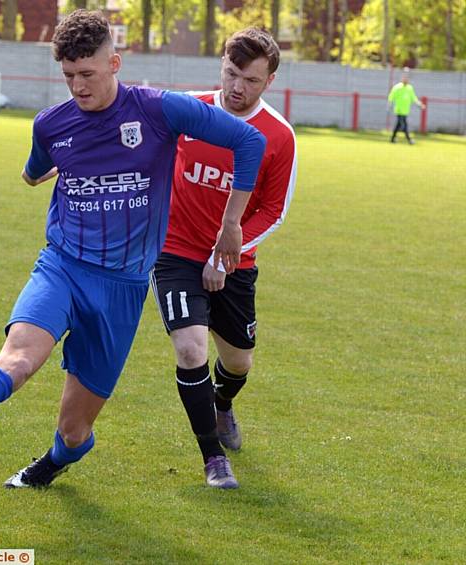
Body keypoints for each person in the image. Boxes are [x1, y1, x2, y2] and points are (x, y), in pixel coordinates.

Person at [0, 9, 267, 525]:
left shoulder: (159, 110)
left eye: (87, 74)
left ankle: (52, 464)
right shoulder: (52, 124)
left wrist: (231, 225)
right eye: (68, 76)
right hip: (62, 268)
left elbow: (250, 141)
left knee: (74, 433)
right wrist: (47, 169)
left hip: (123, 289)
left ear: (115, 62)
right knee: (15, 363)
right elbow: (33, 170)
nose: (77, 86)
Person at [152, 27, 297, 489]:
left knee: (239, 363)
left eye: (251, 80)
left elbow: (274, 211)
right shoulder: (188, 110)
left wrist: (226, 252)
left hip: (235, 261)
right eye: (232, 74)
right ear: (222, 65)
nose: (238, 87)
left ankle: (223, 404)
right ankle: (213, 457)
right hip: (174, 251)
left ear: (269, 81)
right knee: (191, 348)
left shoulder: (278, 135)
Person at [388, 69, 425, 145]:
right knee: (404, 125)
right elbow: (391, 96)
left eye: (407, 78)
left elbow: (414, 98)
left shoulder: (409, 88)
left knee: (398, 125)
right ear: (402, 78)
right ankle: (409, 139)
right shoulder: (397, 87)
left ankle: (392, 139)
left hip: (405, 110)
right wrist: (389, 104)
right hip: (399, 110)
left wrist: (420, 104)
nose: (406, 79)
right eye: (404, 78)